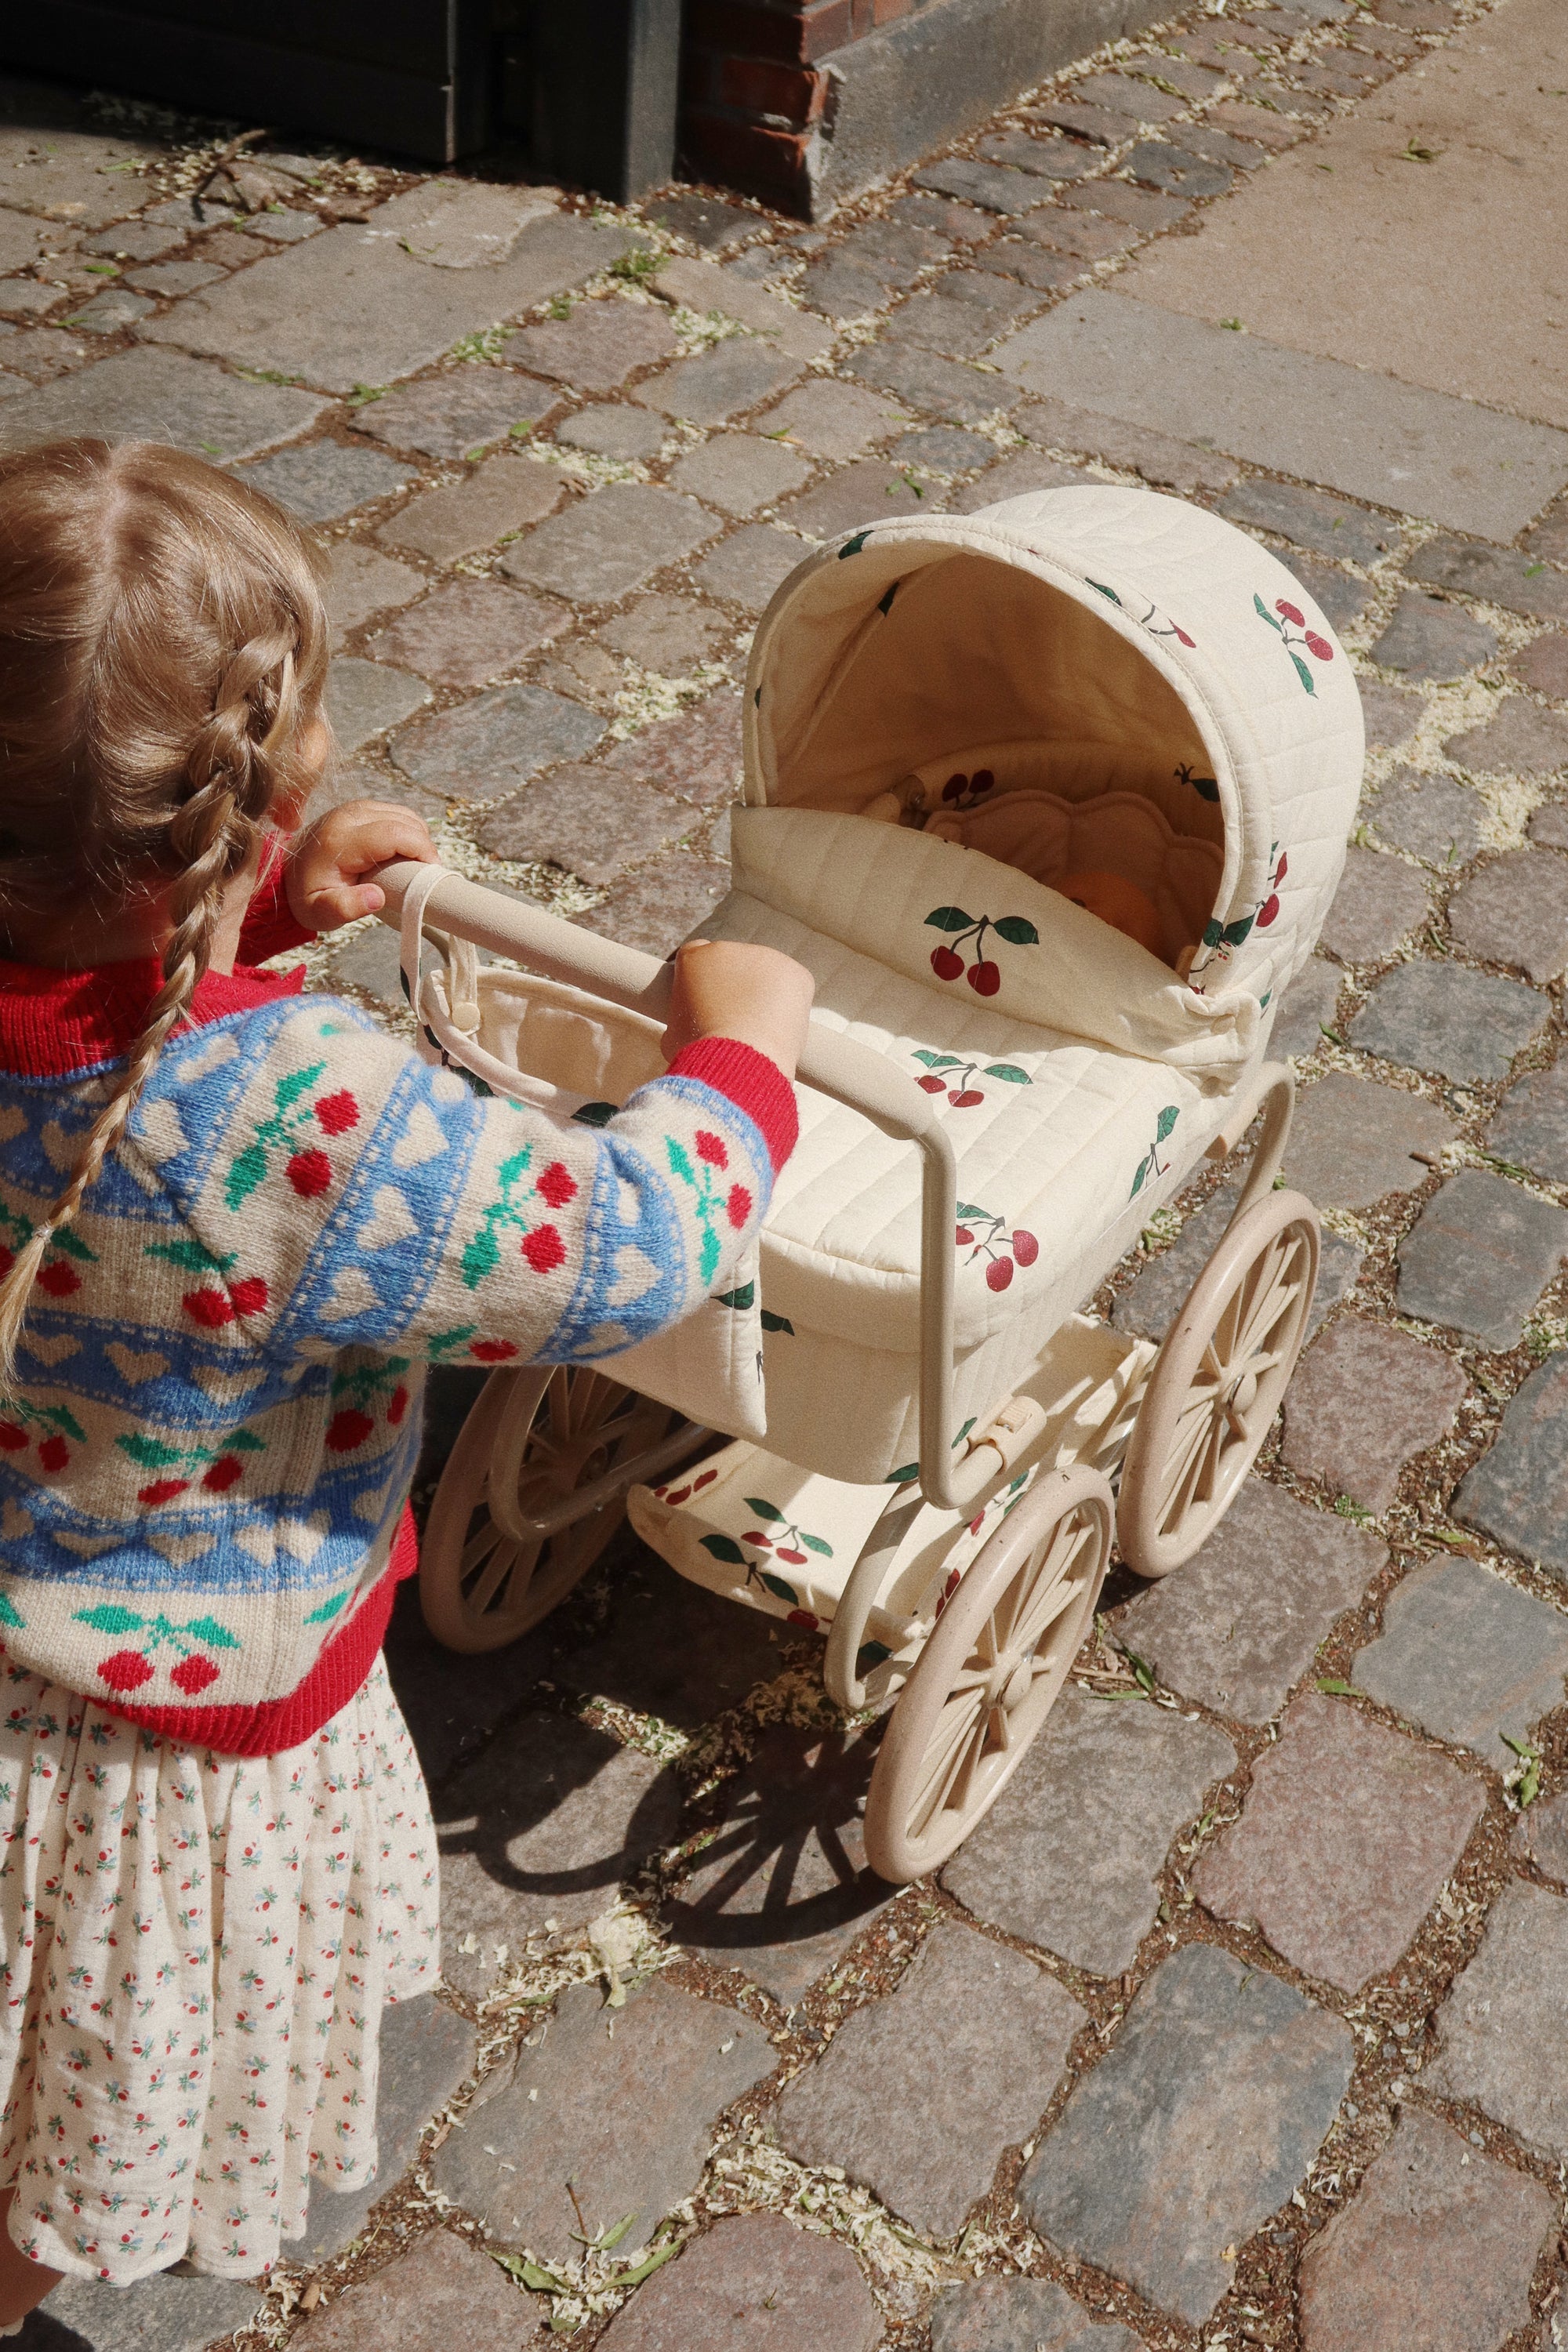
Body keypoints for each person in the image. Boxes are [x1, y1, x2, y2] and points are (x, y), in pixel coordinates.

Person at [0, 437, 812, 2327]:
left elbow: (75, 995)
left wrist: (263, 908)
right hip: (150, 1760)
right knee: (51, 2139)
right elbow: (623, 1244)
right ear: (258, 778)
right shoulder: (300, 1122)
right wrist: (737, 1054)